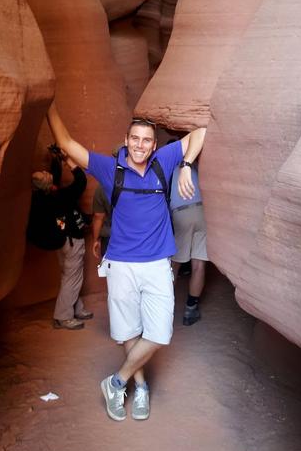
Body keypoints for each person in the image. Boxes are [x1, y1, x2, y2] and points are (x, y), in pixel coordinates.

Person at [47, 104, 206, 421]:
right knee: (130, 330)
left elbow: (200, 133)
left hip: (158, 263)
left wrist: (186, 165)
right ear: (126, 140)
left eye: (147, 140)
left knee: (160, 335)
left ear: (154, 145)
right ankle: (141, 387)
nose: (140, 145)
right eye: (135, 139)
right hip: (120, 264)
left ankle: (116, 381)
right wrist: (49, 102)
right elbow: (66, 143)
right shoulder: (110, 168)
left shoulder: (164, 161)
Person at [27, 150, 94, 330]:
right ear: (47, 184)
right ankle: (63, 317)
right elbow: (81, 181)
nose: (47, 173)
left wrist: (55, 159)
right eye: (45, 175)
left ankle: (75, 308)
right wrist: (68, 160)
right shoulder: (61, 197)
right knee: (71, 279)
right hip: (71, 241)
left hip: (60, 241)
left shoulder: (41, 197)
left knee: (71, 277)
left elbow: (54, 178)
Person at [170, 162, 208, 325]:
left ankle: (164, 308)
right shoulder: (196, 166)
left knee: (174, 264)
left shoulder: (168, 167)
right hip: (202, 211)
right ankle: (190, 310)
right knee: (199, 265)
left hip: (180, 213)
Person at [92, 184, 111, 260]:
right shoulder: (138, 184)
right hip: (138, 237)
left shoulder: (102, 187)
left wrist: (96, 240)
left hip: (110, 237)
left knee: (111, 270)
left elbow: (98, 217)